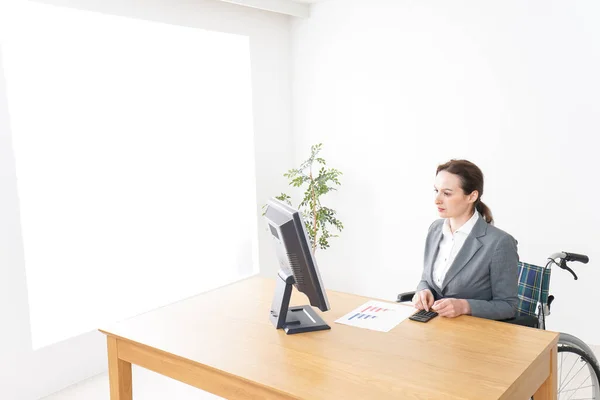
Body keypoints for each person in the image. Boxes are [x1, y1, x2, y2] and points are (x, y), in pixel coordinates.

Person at [412, 159, 518, 320]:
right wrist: (423, 291)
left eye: (447, 193)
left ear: (472, 196)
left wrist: (465, 306)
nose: (437, 200)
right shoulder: (435, 229)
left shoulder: (499, 243)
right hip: (433, 327)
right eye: (436, 191)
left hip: (472, 336)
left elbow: (508, 306)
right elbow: (426, 279)